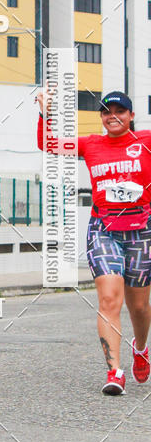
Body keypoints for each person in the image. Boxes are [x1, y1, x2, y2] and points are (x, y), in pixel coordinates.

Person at [37, 89, 151, 395]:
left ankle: (141, 348)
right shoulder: (92, 144)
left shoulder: (145, 141)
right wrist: (45, 115)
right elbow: (48, 145)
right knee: (109, 300)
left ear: (131, 116)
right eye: (106, 112)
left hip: (141, 230)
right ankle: (115, 371)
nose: (112, 116)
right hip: (104, 229)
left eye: (119, 111)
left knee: (138, 306)